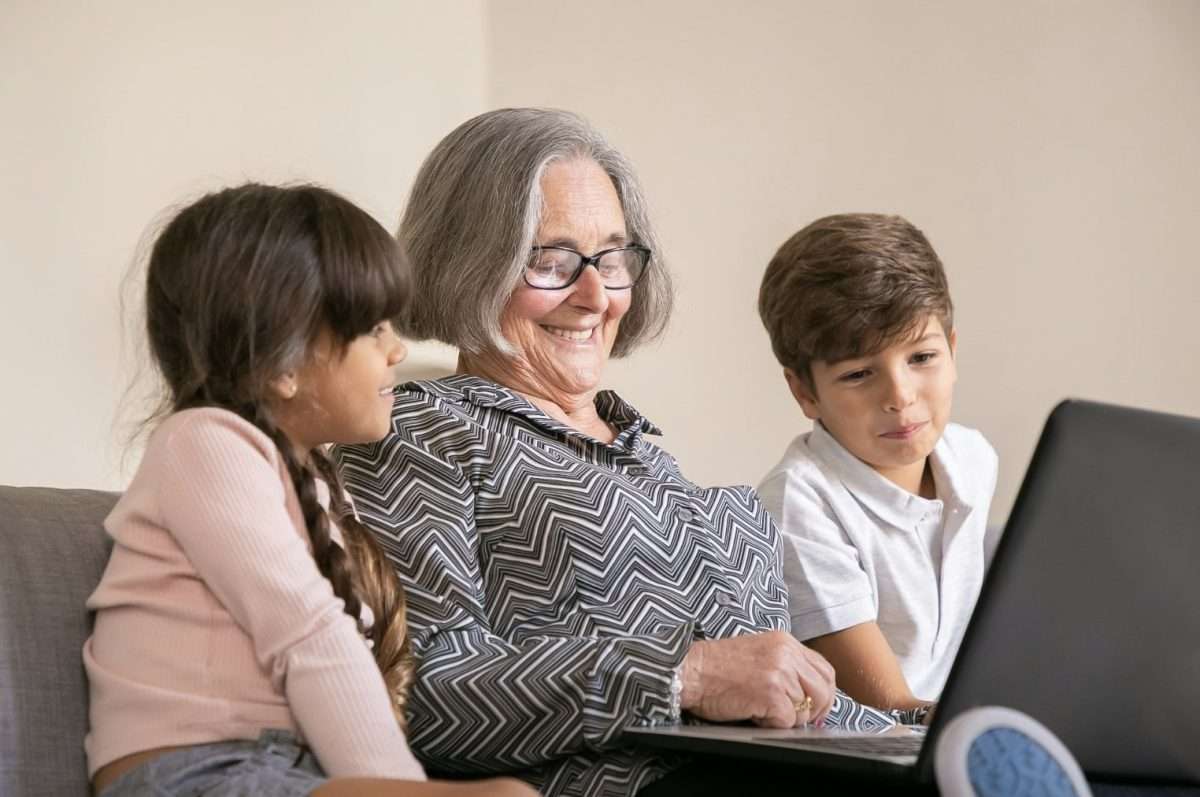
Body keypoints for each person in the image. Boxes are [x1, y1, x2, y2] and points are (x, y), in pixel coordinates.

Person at [334, 109, 915, 797]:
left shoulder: (651, 462)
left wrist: (912, 730)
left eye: (612, 259)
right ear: (469, 263)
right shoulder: (420, 433)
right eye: (551, 261)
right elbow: (419, 690)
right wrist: (683, 674)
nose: (595, 295)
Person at [84, 183, 533, 797]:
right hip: (190, 776)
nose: (399, 349)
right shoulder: (204, 443)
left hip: (277, 770)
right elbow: (309, 634)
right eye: (375, 328)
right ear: (283, 365)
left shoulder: (308, 475)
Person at [755, 213, 999, 716]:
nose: (900, 396)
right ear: (804, 392)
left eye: (922, 358)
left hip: (955, 722)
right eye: (859, 373)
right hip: (877, 749)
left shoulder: (972, 457)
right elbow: (890, 706)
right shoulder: (798, 502)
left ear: (952, 352)